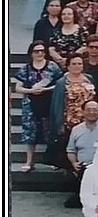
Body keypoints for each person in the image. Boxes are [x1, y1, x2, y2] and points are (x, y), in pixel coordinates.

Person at [14, 41, 61, 173]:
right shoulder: (25, 68)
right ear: (31, 53)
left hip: (48, 101)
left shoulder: (52, 66)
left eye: (42, 51)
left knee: (50, 130)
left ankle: (53, 159)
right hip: (30, 103)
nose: (40, 53)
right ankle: (29, 161)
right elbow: (17, 88)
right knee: (30, 132)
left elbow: (60, 83)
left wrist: (46, 89)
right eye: (36, 51)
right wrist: (31, 91)